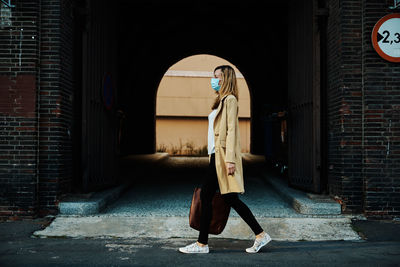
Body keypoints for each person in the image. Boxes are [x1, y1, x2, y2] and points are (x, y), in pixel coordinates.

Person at [179, 65, 272, 254]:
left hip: (222, 157)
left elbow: (232, 132)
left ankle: (202, 244)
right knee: (229, 198)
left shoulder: (230, 100)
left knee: (208, 196)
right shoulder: (220, 101)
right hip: (216, 155)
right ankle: (260, 235)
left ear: (225, 78)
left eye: (217, 77)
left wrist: (230, 160)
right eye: (213, 77)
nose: (214, 80)